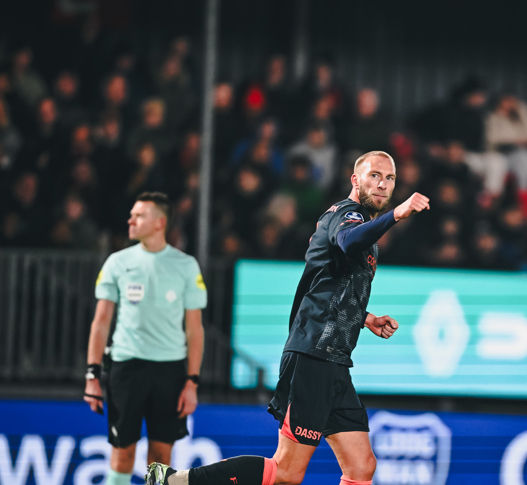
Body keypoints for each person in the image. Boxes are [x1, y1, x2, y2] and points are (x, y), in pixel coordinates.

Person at [144, 151, 430, 485]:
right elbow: (349, 241)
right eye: (374, 175)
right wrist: (396, 213)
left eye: (390, 178)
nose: (382, 184)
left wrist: (364, 318)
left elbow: (327, 284)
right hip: (314, 356)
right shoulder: (345, 215)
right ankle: (176, 481)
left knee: (361, 466)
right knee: (286, 473)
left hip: (335, 360)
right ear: (355, 180)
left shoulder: (364, 225)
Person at [84, 192, 207, 485]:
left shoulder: (186, 265)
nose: (131, 220)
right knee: (122, 455)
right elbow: (100, 323)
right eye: (131, 214)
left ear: (159, 222)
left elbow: (195, 329)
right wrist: (92, 374)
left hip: (170, 371)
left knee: (161, 459)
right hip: (126, 368)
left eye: (139, 215)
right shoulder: (117, 262)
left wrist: (192, 381)